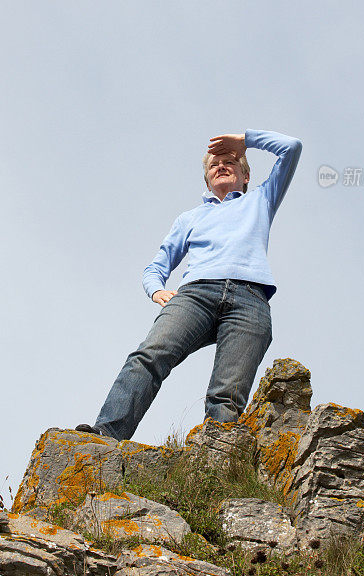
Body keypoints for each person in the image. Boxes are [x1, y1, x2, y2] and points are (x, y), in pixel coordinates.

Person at [76, 129, 302, 440]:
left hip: (251, 300)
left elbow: (291, 148)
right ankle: (107, 432)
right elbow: (156, 266)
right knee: (150, 356)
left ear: (246, 176)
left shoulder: (262, 199)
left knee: (228, 392)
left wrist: (246, 141)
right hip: (196, 294)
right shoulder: (190, 218)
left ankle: (215, 461)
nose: (221, 166)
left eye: (230, 162)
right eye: (214, 165)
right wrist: (156, 290)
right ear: (207, 179)